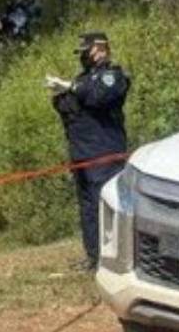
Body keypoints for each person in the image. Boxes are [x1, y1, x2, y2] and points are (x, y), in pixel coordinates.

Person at [50, 32, 130, 269]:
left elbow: (98, 97)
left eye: (86, 50)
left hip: (104, 155)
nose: (83, 56)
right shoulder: (84, 78)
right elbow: (67, 105)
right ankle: (93, 256)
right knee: (88, 208)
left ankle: (111, 259)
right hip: (81, 155)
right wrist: (63, 92)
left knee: (105, 206)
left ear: (98, 49)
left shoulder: (112, 76)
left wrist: (74, 88)